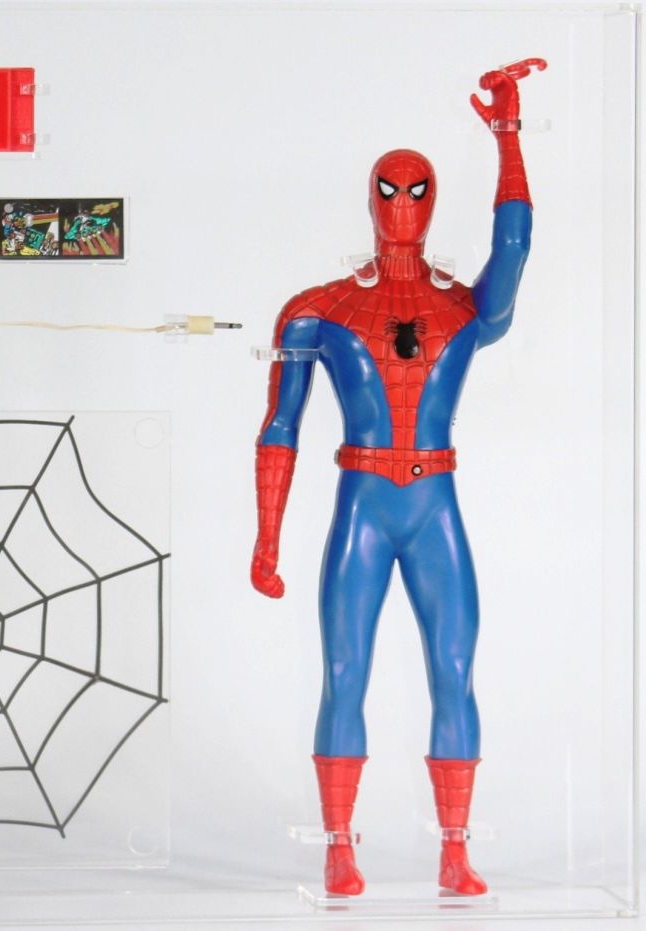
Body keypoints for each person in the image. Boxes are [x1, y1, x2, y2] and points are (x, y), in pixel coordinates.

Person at [251, 59, 545, 896]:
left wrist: (508, 133)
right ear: (370, 197)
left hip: (432, 501)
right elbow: (280, 425)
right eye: (390, 189)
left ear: (435, 199)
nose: (403, 204)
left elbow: (515, 246)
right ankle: (339, 848)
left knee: (454, 671)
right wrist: (266, 537)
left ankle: (455, 850)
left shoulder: (465, 308)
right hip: (365, 503)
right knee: (345, 673)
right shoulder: (318, 309)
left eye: (418, 191)